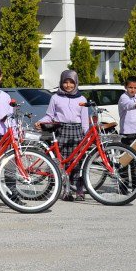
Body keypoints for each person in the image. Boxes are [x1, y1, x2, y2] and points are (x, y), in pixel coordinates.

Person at [36, 70, 90, 201]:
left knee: (77, 163)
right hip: (61, 130)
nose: (68, 85)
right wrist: (41, 121)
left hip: (77, 132)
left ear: (76, 83)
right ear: (61, 82)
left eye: (71, 82)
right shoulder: (55, 97)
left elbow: (84, 120)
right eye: (65, 82)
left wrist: (86, 136)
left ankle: (79, 190)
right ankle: (65, 191)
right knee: (62, 163)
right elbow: (50, 115)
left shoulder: (82, 99)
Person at [118, 77, 136, 145]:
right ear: (125, 87)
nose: (133, 90)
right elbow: (127, 105)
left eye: (135, 88)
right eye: (130, 87)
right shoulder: (123, 97)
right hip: (127, 133)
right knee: (126, 155)